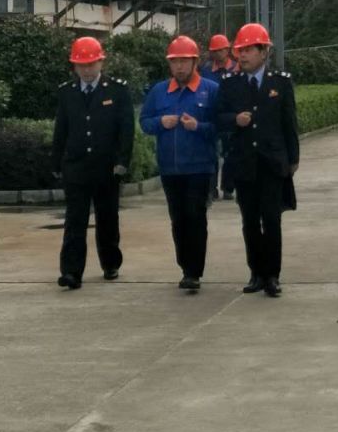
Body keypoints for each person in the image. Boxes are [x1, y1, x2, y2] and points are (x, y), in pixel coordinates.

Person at [216, 23, 299, 298]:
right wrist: (234, 120)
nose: (242, 55)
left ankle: (272, 275)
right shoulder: (230, 83)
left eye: (249, 50)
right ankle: (256, 273)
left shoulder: (280, 82)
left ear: (264, 52)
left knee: (272, 220)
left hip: (272, 163)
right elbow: (218, 117)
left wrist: (293, 158)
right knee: (249, 221)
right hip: (244, 163)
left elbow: (289, 122)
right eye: (240, 50)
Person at [53, 37, 134, 290]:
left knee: (107, 217)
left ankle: (110, 263)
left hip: (106, 167)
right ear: (74, 66)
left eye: (91, 64)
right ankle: (71, 271)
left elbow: (126, 130)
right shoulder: (67, 92)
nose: (86, 70)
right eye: (81, 65)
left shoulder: (117, 90)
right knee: (75, 220)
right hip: (76, 167)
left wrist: (122, 161)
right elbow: (61, 130)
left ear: (101, 62)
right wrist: (56, 162)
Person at [140, 35, 219, 293]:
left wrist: (198, 127)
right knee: (178, 219)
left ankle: (194, 272)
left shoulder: (211, 90)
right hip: (170, 169)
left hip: (200, 167)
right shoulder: (159, 91)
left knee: (195, 216)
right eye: (175, 62)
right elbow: (144, 122)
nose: (180, 67)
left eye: (184, 61)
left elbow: (221, 127)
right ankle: (185, 266)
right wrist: (160, 123)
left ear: (195, 62)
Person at [201, 33, 236, 201]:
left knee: (230, 154)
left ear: (227, 50)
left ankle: (228, 188)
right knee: (211, 154)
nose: (218, 53)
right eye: (215, 51)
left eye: (221, 50)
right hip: (211, 117)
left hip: (230, 118)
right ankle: (211, 189)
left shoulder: (236, 68)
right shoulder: (206, 70)